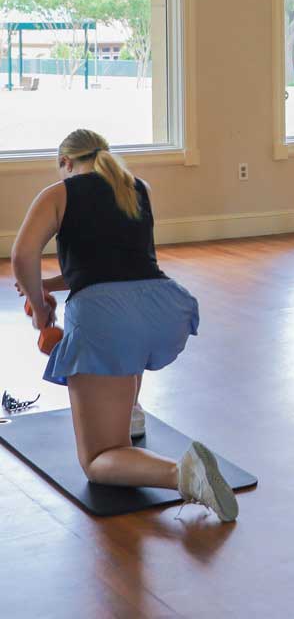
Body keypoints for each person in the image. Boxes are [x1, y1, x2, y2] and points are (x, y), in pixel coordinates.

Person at [9, 129, 238, 521]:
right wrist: (48, 286)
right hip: (162, 306)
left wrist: (39, 308)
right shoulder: (137, 188)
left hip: (109, 319)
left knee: (97, 459)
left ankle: (184, 474)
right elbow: (119, 262)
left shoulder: (58, 194)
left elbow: (22, 255)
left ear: (66, 163)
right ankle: (129, 410)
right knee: (122, 331)